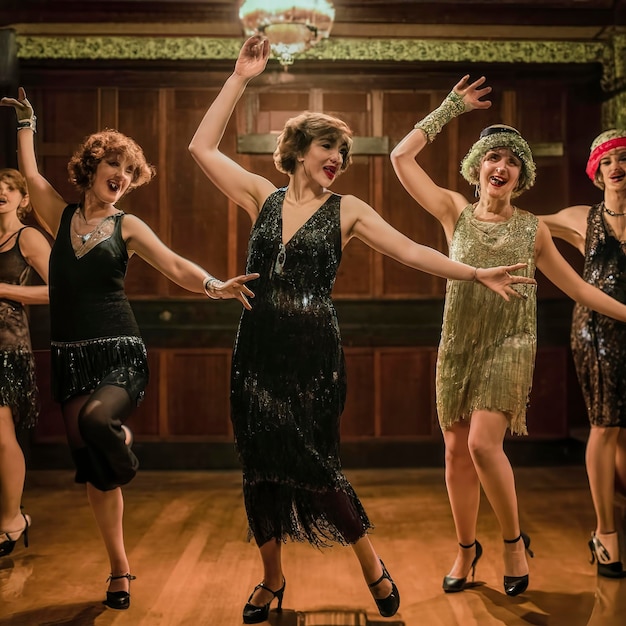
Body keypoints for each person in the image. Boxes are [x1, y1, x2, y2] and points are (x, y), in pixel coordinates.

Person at [187, 36, 535, 623]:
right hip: (257, 350)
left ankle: (371, 563)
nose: (338, 160)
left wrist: (473, 271)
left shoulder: (347, 210)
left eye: (343, 153)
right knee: (259, 466)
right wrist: (240, 78)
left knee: (314, 464)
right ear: (298, 151)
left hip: (315, 353)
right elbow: (199, 146)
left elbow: (411, 250)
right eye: (329, 148)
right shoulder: (261, 197)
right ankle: (272, 580)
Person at [0, 89, 259, 610]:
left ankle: (119, 436)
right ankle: (119, 570)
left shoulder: (128, 226)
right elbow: (30, 176)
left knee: (99, 425)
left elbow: (177, 265)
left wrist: (214, 285)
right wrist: (27, 123)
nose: (120, 174)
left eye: (128, 169)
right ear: (92, 168)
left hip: (120, 351)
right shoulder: (59, 216)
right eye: (112, 164)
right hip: (71, 358)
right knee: (96, 473)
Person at [390, 77, 626, 597]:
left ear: (521, 177)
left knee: (481, 443)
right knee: (455, 451)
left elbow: (583, 291)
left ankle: (514, 542)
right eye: (493, 157)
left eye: (513, 161)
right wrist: (450, 108)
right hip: (458, 341)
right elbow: (401, 159)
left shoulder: (533, 230)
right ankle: (466, 548)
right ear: (477, 168)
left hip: (510, 343)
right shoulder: (453, 210)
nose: (502, 166)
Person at [539, 129, 626, 578]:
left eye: (624, 158)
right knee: (606, 423)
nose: (617, 167)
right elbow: (523, 222)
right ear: (597, 172)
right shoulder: (580, 217)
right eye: (608, 161)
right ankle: (606, 534)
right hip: (598, 329)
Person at [0, 168, 50, 558]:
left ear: (22, 198)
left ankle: (12, 519)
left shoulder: (27, 237)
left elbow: (58, 290)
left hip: (6, 346)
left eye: (9, 188)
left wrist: (3, 288)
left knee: (1, 434)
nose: (1, 192)